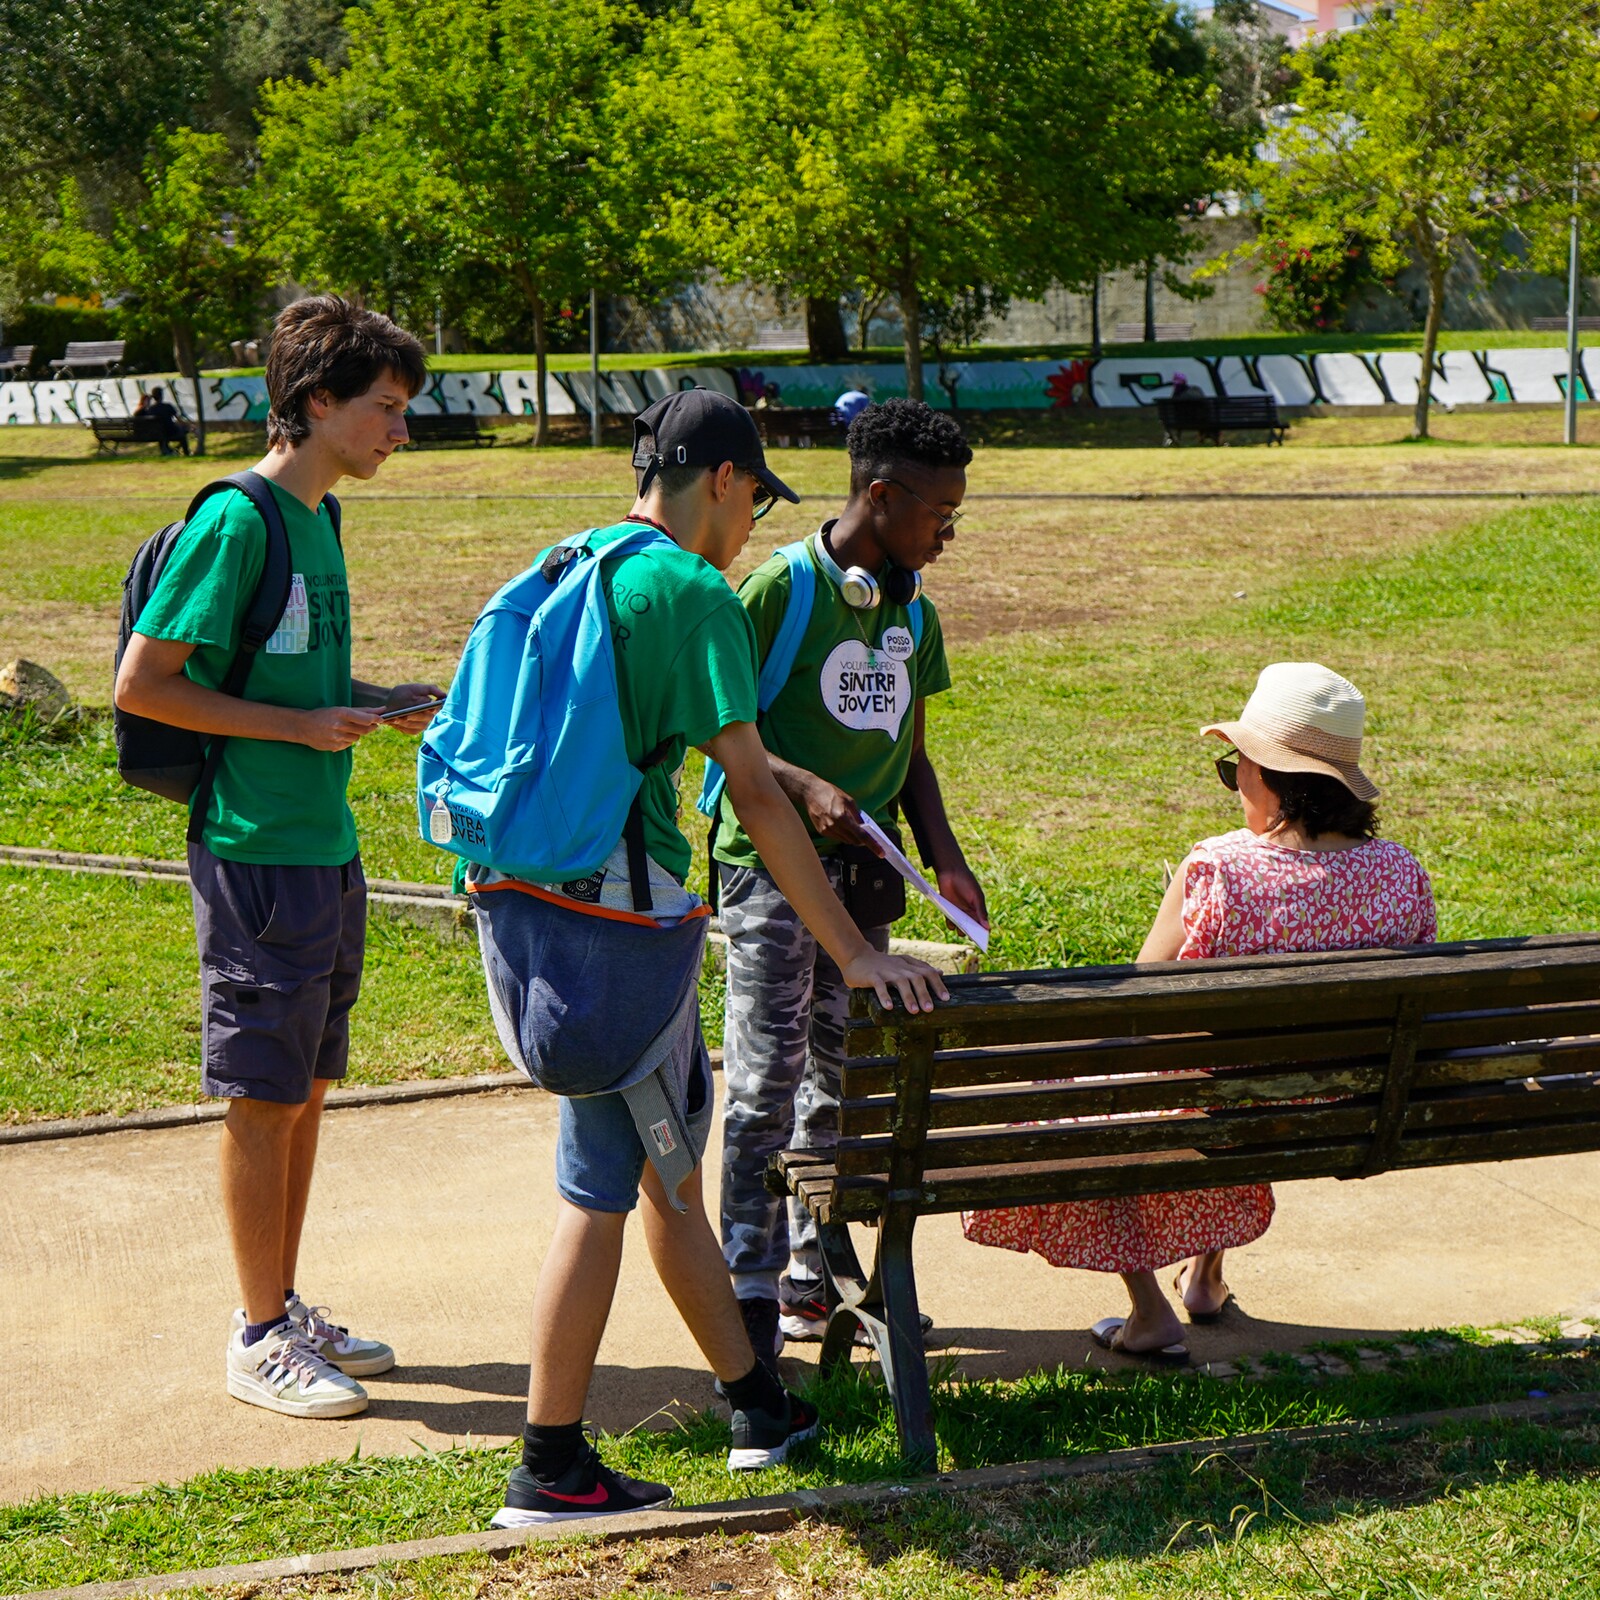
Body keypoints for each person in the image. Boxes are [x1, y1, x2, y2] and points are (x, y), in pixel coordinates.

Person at [464, 388, 948, 1527]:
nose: (749, 529)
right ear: (724, 480)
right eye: (751, 499)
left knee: (664, 1173)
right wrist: (854, 950)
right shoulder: (686, 591)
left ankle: (755, 1400)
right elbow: (757, 791)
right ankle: (549, 1463)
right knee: (601, 1186)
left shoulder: (571, 559)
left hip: (520, 905)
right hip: (618, 933)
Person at [114, 296, 441, 1418]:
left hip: (325, 846)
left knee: (306, 1084)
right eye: (386, 408)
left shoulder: (325, 522)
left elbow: (289, 680)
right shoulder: (237, 522)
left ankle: (283, 1300)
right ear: (315, 405)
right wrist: (302, 729)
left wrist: (369, 700)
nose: (402, 429)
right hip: (255, 852)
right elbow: (146, 683)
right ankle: (257, 1337)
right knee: (263, 1093)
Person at [962, 662, 1436, 1363]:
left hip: (1218, 1104)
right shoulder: (1401, 874)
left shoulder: (1217, 870)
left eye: (1235, 765)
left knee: (1081, 1096)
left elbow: (1138, 1006)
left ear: (1274, 778)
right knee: (1243, 1074)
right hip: (1340, 1108)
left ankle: (1150, 1312)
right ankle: (1208, 1275)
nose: (1234, 780)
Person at [712, 398, 988, 1356]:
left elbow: (910, 748)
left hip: (867, 882)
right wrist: (802, 785)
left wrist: (943, 856)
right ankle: (743, 1293)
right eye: (937, 515)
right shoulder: (777, 593)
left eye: (957, 516)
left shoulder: (915, 610)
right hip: (770, 877)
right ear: (879, 495)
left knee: (839, 1079)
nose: (947, 535)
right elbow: (719, 736)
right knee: (763, 1083)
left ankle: (813, 1271)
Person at [143, 385, 191, 456]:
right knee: (183, 431)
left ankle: (168, 450)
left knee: (163, 432)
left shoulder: (151, 409)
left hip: (158, 433)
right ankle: (186, 452)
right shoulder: (168, 406)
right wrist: (189, 425)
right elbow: (179, 420)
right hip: (171, 431)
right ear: (162, 395)